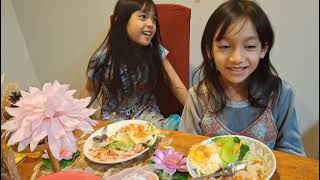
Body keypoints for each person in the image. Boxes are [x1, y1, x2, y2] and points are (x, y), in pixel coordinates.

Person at [179, 0, 305, 156]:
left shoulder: (280, 95)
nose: (237, 58)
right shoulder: (198, 98)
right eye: (225, 46)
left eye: (250, 46)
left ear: (263, 49)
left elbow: (293, 154)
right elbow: (186, 152)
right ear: (209, 50)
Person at [81, 0, 188, 130]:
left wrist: (196, 111)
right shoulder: (102, 58)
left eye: (153, 19)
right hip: (114, 120)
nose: (151, 24)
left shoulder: (155, 51)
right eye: (143, 17)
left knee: (169, 134)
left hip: (148, 115)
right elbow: (90, 90)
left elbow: (175, 84)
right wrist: (73, 116)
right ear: (122, 21)